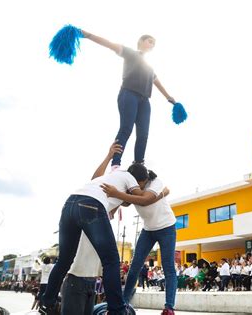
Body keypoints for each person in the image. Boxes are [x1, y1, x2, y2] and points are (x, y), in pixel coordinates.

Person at [40, 143, 163, 315]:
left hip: (70, 204)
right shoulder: (129, 177)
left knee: (64, 260)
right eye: (141, 184)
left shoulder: (113, 176)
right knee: (111, 261)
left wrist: (108, 157)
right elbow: (141, 198)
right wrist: (158, 190)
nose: (140, 187)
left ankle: (47, 303)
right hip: (91, 206)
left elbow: (96, 179)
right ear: (138, 180)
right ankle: (117, 309)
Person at [80, 30, 176, 168]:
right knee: (126, 128)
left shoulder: (149, 67)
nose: (152, 45)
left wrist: (169, 98)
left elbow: (157, 82)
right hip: (129, 94)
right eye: (150, 41)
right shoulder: (131, 53)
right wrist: (86, 34)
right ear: (141, 42)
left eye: (153, 44)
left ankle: (138, 164)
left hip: (144, 101)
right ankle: (115, 164)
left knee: (143, 134)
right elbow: (109, 44)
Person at [104, 163, 177, 314]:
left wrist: (117, 193)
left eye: (139, 183)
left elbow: (145, 199)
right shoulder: (132, 185)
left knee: (168, 267)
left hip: (167, 228)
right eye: (133, 183)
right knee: (134, 267)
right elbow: (125, 201)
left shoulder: (155, 183)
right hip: (148, 230)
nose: (136, 186)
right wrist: (114, 207)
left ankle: (169, 307)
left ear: (145, 179)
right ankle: (123, 303)